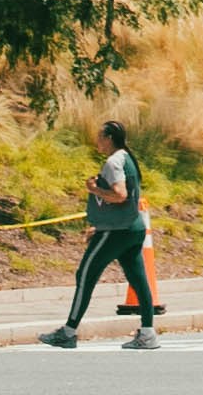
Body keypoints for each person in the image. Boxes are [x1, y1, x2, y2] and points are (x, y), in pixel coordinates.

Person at [55, 117, 160, 348]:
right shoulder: (128, 158)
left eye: (100, 136)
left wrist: (95, 190)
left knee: (85, 275)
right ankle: (148, 332)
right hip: (135, 228)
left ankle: (69, 332)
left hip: (115, 232)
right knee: (139, 280)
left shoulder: (113, 162)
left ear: (109, 138)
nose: (97, 140)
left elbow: (120, 195)